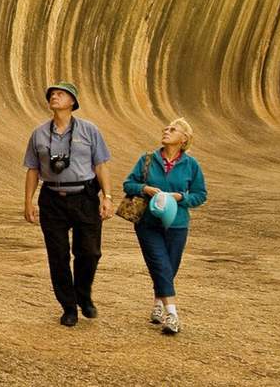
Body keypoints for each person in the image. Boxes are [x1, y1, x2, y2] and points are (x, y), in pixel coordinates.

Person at [23, 82, 114, 327]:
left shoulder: (89, 130)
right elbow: (32, 169)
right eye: (52, 94)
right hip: (52, 198)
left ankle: (83, 294)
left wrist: (107, 197)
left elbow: (100, 166)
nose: (54, 96)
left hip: (84, 196)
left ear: (72, 102)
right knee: (58, 256)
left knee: (90, 252)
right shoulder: (39, 133)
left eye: (60, 94)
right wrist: (28, 201)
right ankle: (68, 306)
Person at [122, 118, 207, 335]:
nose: (166, 131)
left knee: (169, 267)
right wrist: (145, 189)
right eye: (166, 128)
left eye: (172, 129)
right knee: (160, 264)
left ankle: (158, 305)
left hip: (178, 224)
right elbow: (128, 184)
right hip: (148, 223)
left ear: (184, 139)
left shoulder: (191, 165)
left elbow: (200, 195)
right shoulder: (147, 159)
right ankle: (172, 314)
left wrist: (181, 197)